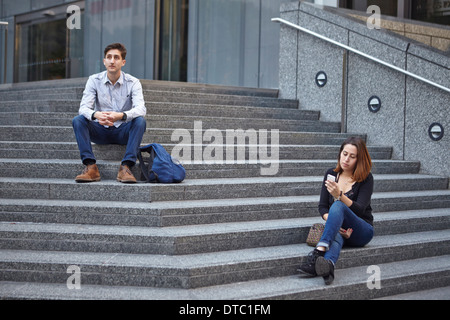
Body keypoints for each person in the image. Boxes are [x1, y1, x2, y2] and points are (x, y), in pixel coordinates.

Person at [298, 136, 374, 285]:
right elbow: (322, 207)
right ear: (340, 153)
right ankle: (328, 266)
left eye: (352, 156)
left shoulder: (366, 179)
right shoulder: (331, 174)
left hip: (362, 230)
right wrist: (336, 225)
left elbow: (359, 210)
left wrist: (339, 195)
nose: (346, 159)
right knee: (335, 236)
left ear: (359, 160)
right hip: (340, 229)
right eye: (344, 154)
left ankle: (318, 251)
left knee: (338, 205)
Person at [72, 43, 147, 183]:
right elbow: (83, 108)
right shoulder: (94, 80)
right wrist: (96, 115)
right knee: (78, 120)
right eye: (109, 57)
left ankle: (126, 167)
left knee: (140, 121)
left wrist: (121, 115)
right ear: (104, 61)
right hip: (100, 130)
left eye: (116, 58)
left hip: (122, 131)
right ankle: (91, 167)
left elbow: (141, 109)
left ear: (123, 62)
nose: (112, 61)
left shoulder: (133, 82)